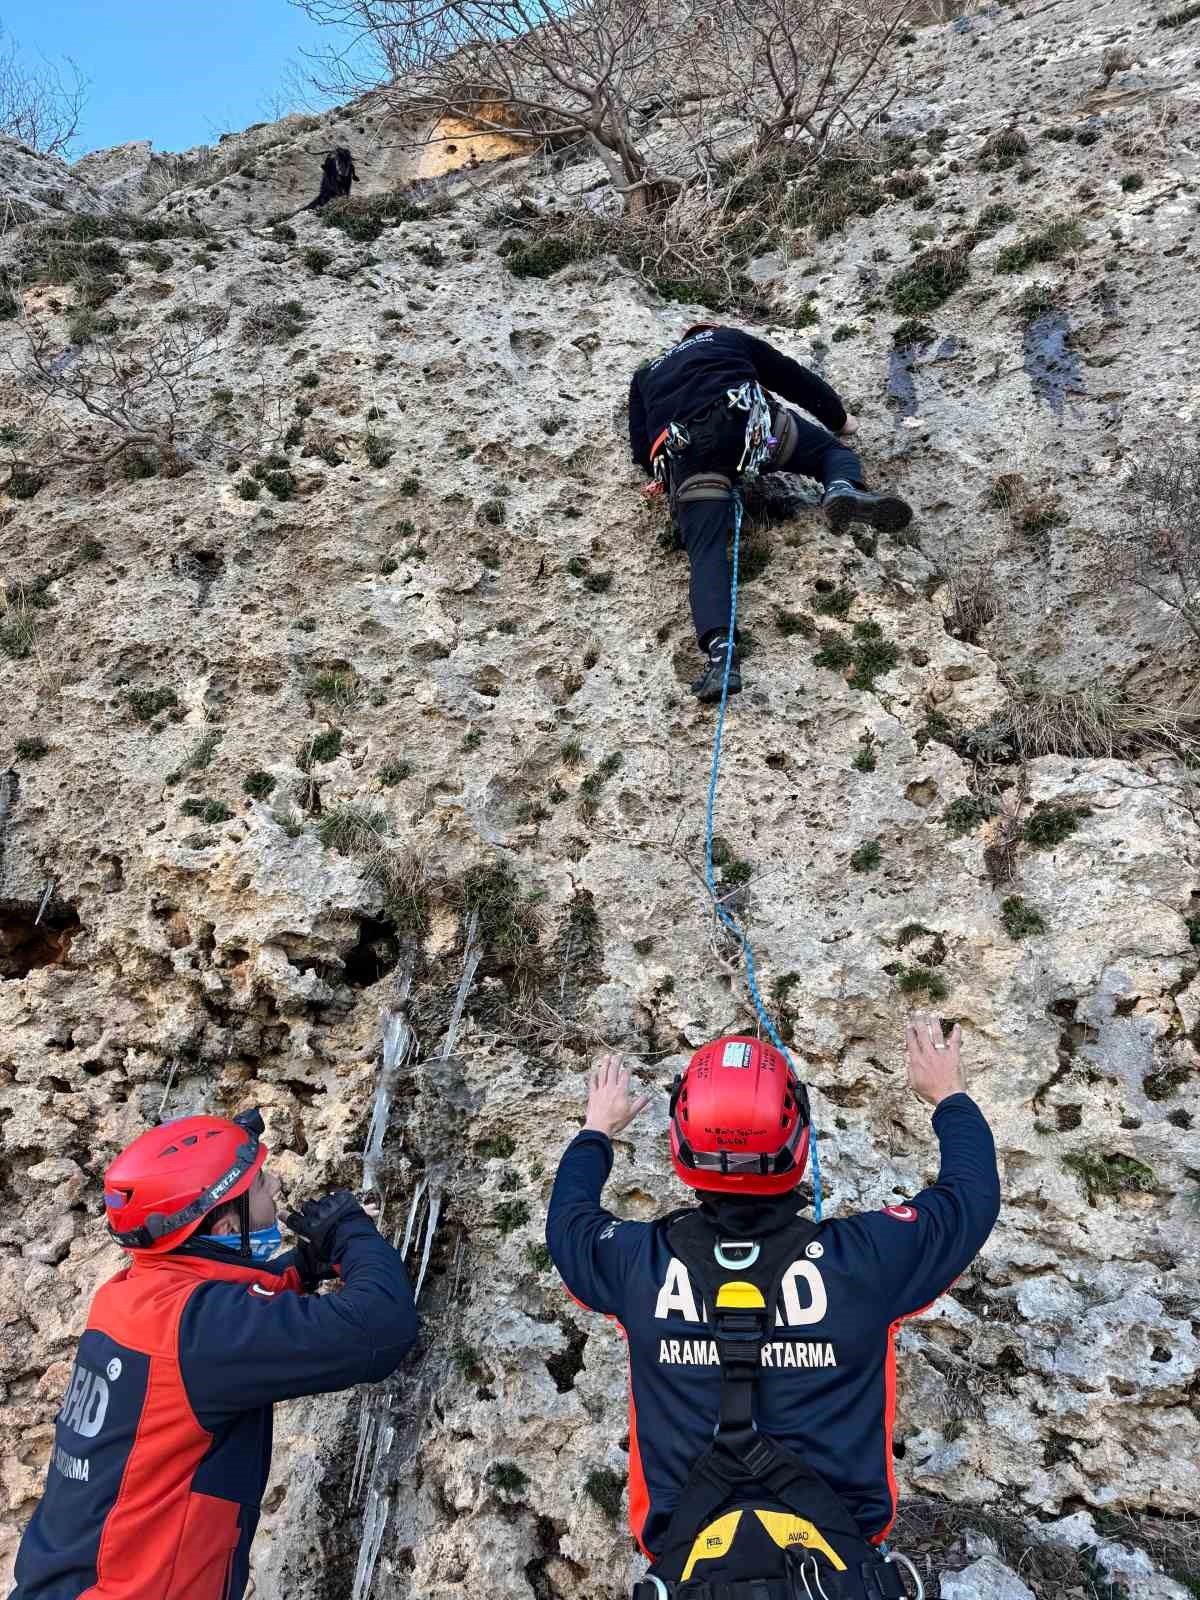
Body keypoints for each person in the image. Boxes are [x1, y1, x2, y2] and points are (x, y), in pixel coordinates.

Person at [546, 1017, 1000, 1600]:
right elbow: (969, 1196)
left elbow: (569, 1223)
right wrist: (948, 1095)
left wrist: (595, 1132)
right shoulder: (865, 1261)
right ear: (801, 1143)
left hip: (689, 1573)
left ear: (680, 1149)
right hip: (836, 1569)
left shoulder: (637, 1265)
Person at [10, 1108, 417, 1600]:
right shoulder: (204, 1333)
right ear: (226, 1228)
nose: (274, 1186)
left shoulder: (129, 1299)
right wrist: (350, 1233)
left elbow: (232, 1313)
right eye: (260, 1182)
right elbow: (380, 1327)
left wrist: (304, 1266)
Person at [628, 323, 914, 702]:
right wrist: (840, 420)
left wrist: (684, 486)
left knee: (706, 553)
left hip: (686, 451)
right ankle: (841, 489)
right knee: (832, 454)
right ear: (707, 331)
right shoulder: (726, 338)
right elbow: (791, 377)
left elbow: (641, 448)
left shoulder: (646, 376)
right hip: (749, 426)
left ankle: (720, 658)